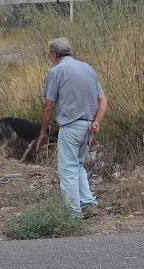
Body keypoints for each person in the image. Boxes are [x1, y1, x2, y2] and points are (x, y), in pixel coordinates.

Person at [36, 38, 107, 219]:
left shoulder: (56, 71)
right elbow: (102, 100)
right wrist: (96, 121)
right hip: (89, 126)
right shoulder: (88, 68)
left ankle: (72, 215)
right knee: (78, 166)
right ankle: (88, 204)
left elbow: (49, 106)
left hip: (70, 126)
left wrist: (43, 132)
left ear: (52, 55)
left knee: (67, 170)